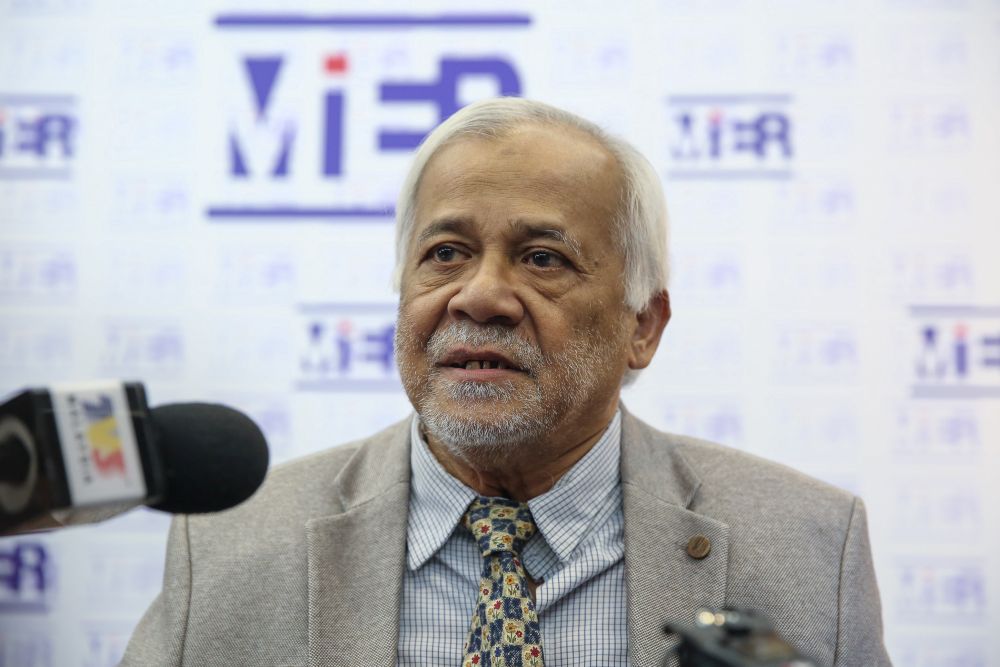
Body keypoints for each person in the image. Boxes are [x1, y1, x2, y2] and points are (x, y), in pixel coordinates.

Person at [120, 98, 891, 667]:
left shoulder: (809, 546)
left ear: (642, 326)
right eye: (446, 252)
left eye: (543, 258)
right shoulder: (229, 543)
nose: (479, 295)